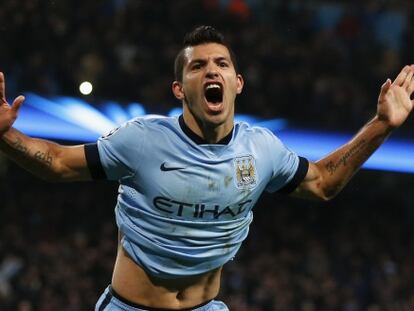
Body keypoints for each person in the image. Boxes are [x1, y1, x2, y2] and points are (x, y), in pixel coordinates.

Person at [0, 25, 413, 311]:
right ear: (180, 89)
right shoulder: (142, 140)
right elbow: (55, 163)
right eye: (197, 66)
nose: (211, 70)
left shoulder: (262, 150)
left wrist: (381, 126)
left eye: (221, 64)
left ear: (237, 82)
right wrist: (5, 136)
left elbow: (323, 183)